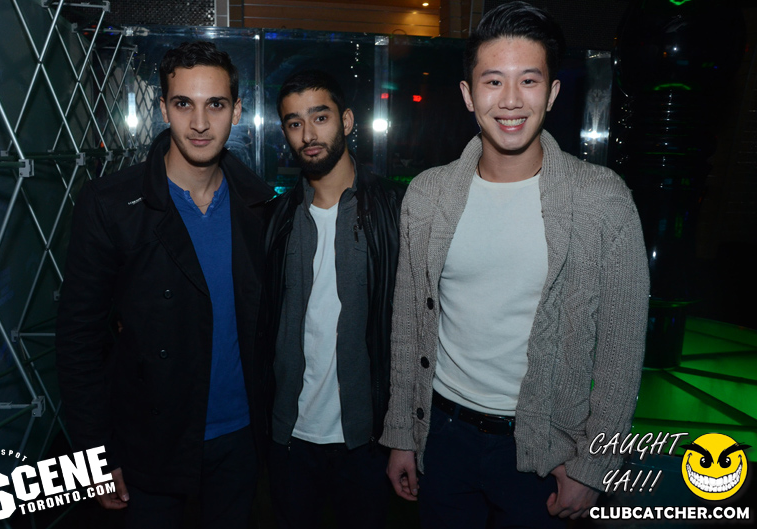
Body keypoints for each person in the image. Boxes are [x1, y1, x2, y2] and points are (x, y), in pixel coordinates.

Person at [381, 2, 650, 528]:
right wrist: (401, 436)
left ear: (552, 93)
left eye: (529, 80)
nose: (510, 100)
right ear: (468, 95)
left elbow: (621, 353)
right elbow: (408, 328)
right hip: (442, 435)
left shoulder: (603, 200)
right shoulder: (427, 196)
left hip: (547, 450)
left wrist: (595, 465)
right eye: (493, 81)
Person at [55, 41, 273, 529]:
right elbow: (78, 341)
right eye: (183, 104)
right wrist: (94, 456)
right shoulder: (110, 204)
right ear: (162, 109)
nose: (200, 123)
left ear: (237, 111)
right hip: (146, 445)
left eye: (215, 104)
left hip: (240, 440)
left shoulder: (260, 206)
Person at [258, 70, 405, 528]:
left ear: (346, 121)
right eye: (294, 123)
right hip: (289, 438)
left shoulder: (396, 209)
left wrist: (405, 433)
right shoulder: (275, 218)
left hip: (368, 440)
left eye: (319, 117)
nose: (308, 134)